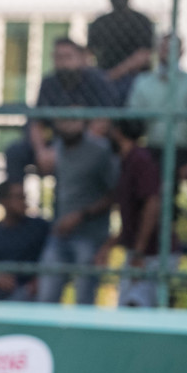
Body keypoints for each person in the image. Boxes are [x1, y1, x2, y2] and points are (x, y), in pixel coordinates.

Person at [4, 37, 116, 182]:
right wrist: (41, 151)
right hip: (53, 142)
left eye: (68, 57)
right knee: (15, 152)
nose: (63, 62)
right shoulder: (49, 83)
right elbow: (36, 122)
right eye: (58, 57)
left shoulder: (96, 81)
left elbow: (103, 121)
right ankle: (16, 200)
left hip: (85, 143)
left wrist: (68, 150)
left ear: (81, 58)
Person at [35, 114, 117, 305]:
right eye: (63, 120)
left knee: (84, 300)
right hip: (59, 234)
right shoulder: (58, 148)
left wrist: (82, 215)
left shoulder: (100, 150)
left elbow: (114, 193)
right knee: (46, 297)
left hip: (90, 237)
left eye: (73, 120)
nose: (67, 125)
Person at [99, 119, 171, 308]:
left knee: (135, 308)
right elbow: (132, 219)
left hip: (152, 254)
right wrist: (109, 245)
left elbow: (153, 204)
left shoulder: (140, 159)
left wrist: (139, 252)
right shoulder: (127, 161)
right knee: (127, 308)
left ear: (119, 133)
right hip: (139, 253)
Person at [0, 180, 50, 301]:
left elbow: (52, 258)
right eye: (18, 197)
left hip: (28, 291)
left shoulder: (39, 227)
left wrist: (37, 281)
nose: (23, 202)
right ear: (3, 201)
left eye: (24, 197)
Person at [127, 33, 187, 178]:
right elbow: (133, 118)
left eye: (172, 47)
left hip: (182, 148)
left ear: (182, 51)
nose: (167, 50)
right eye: (163, 47)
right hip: (152, 146)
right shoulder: (143, 81)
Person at [86, 0, 154, 104]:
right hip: (103, 76)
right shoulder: (100, 22)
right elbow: (89, 52)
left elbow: (144, 54)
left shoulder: (141, 21)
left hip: (134, 78)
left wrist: (114, 74)